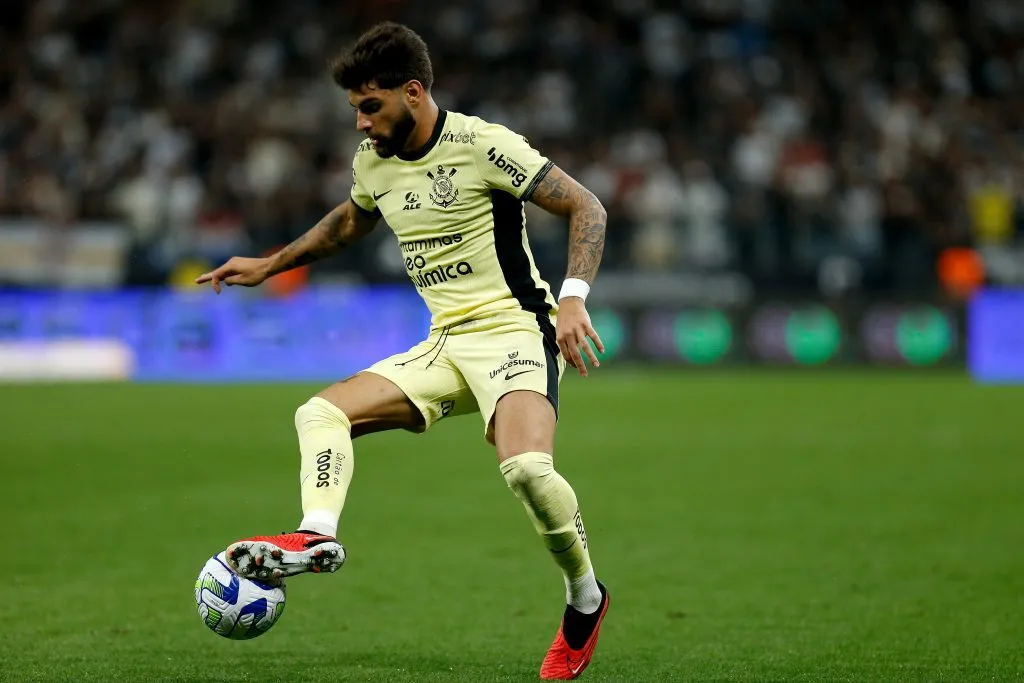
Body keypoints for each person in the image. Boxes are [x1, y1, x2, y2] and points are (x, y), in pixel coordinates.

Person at [196, 22, 610, 680]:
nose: (360, 123)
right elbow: (348, 222)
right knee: (319, 412)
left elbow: (587, 206)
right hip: (445, 342)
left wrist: (574, 297)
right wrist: (272, 263)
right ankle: (316, 534)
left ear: (413, 92)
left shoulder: (484, 145)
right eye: (355, 108)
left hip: (515, 329)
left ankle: (585, 599)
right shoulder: (374, 163)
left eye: (370, 105)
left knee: (527, 470)